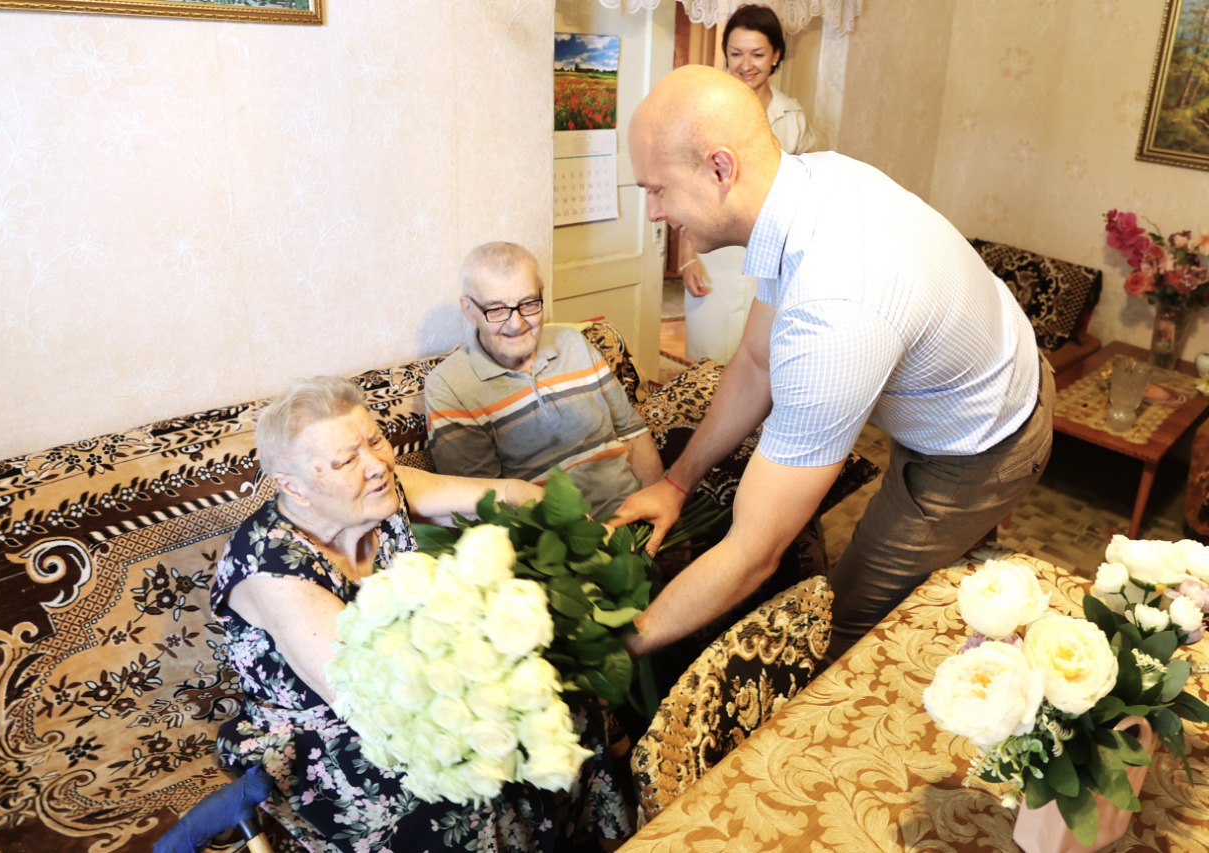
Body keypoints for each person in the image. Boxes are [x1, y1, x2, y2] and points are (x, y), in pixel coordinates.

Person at [616, 65, 1054, 664]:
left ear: (720, 168)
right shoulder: (807, 186)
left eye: (656, 189)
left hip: (983, 444)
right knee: (956, 595)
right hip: (980, 371)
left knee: (847, 633)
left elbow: (755, 552)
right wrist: (675, 482)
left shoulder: (834, 307)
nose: (652, 212)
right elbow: (755, 360)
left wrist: (616, 647)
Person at [211, 376, 632, 851]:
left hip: (418, 684)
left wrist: (579, 533)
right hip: (327, 727)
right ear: (294, 487)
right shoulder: (272, 570)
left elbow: (511, 494)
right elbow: (365, 702)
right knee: (466, 795)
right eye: (347, 460)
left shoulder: (382, 492)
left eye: (374, 440)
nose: (376, 465)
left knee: (563, 702)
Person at [425, 242, 664, 518]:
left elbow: (633, 433)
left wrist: (656, 509)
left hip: (634, 518)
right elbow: (484, 505)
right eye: (497, 310)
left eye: (528, 304)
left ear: (542, 296)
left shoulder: (574, 343)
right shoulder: (450, 387)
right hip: (560, 547)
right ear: (469, 310)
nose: (516, 324)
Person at [678, 3, 816, 364]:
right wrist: (686, 259)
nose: (746, 64)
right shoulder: (703, 110)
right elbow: (684, 189)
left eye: (757, 54)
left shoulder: (792, 117)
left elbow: (809, 192)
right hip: (714, 257)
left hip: (773, 259)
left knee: (761, 367)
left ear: (776, 56)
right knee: (706, 367)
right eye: (736, 53)